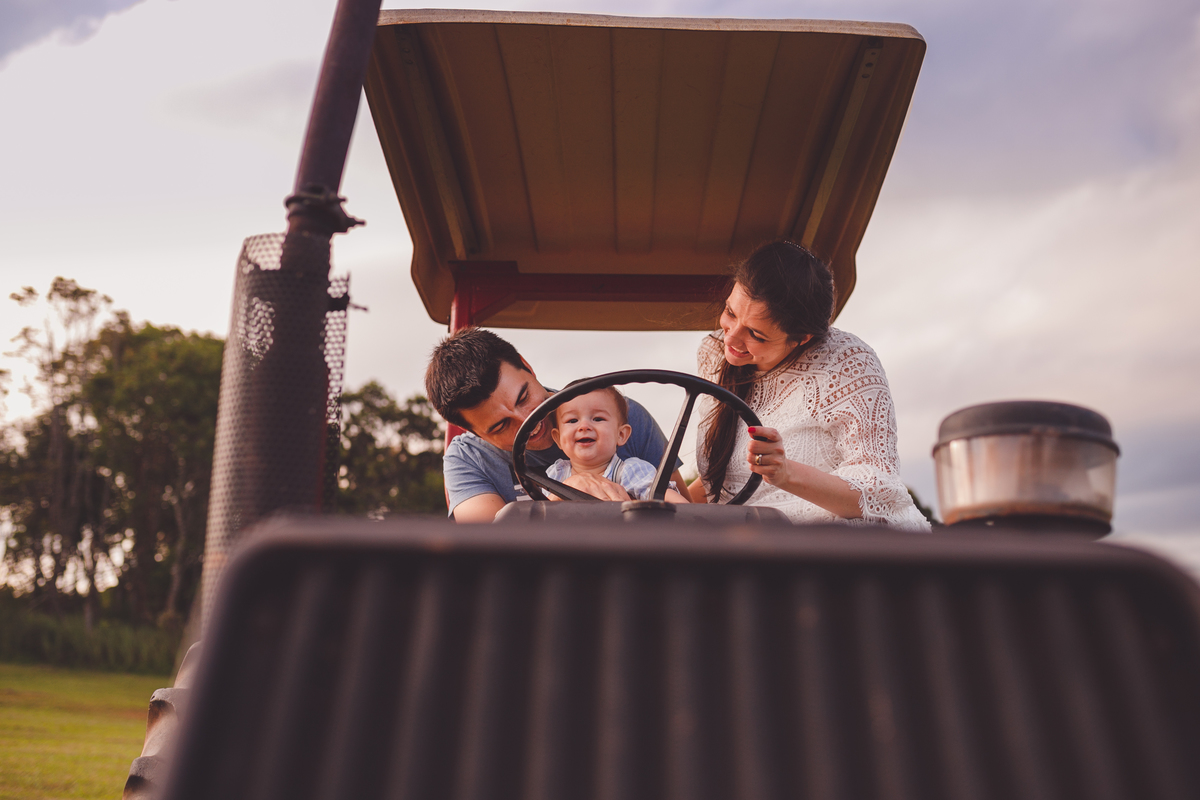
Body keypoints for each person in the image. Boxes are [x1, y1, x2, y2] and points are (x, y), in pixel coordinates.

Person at [689, 240, 930, 531]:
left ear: (801, 339)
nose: (731, 338)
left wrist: (786, 473)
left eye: (755, 334)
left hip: (825, 541)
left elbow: (881, 493)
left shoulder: (846, 362)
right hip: (744, 540)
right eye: (730, 313)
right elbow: (726, 481)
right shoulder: (713, 353)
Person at [425, 328, 687, 521]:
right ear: (474, 433)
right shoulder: (468, 458)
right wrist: (565, 494)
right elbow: (490, 551)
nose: (528, 422)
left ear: (527, 366)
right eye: (500, 426)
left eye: (524, 397)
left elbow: (686, 515)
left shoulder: (621, 416)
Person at [546, 386, 688, 503]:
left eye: (598, 418)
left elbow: (670, 500)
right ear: (558, 439)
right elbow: (541, 515)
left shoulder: (630, 472)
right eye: (572, 420)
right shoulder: (555, 475)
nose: (584, 426)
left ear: (621, 435)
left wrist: (685, 512)